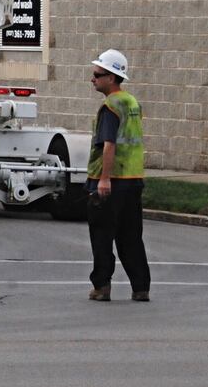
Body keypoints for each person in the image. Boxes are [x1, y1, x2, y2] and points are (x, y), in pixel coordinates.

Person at [85, 48, 150, 302]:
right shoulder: (132, 103)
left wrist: (103, 179)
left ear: (111, 77)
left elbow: (109, 144)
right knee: (131, 236)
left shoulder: (110, 106)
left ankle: (102, 286)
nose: (93, 79)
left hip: (110, 181)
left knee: (102, 235)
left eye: (97, 74)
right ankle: (141, 287)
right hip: (133, 179)